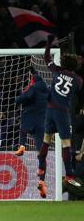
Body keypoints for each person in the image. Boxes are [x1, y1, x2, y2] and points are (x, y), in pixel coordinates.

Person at [37, 35, 84, 192]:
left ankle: (40, 169)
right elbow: (76, 88)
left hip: (49, 110)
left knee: (46, 140)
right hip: (62, 113)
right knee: (66, 143)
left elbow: (46, 57)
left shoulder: (56, 70)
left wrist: (49, 43)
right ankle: (69, 175)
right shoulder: (78, 81)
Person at [14, 67, 49, 197]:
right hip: (42, 123)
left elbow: (26, 96)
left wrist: (18, 99)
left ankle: (22, 146)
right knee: (41, 154)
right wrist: (33, 71)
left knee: (23, 128)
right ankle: (41, 181)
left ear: (32, 82)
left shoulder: (33, 88)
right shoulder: (46, 91)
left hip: (30, 118)